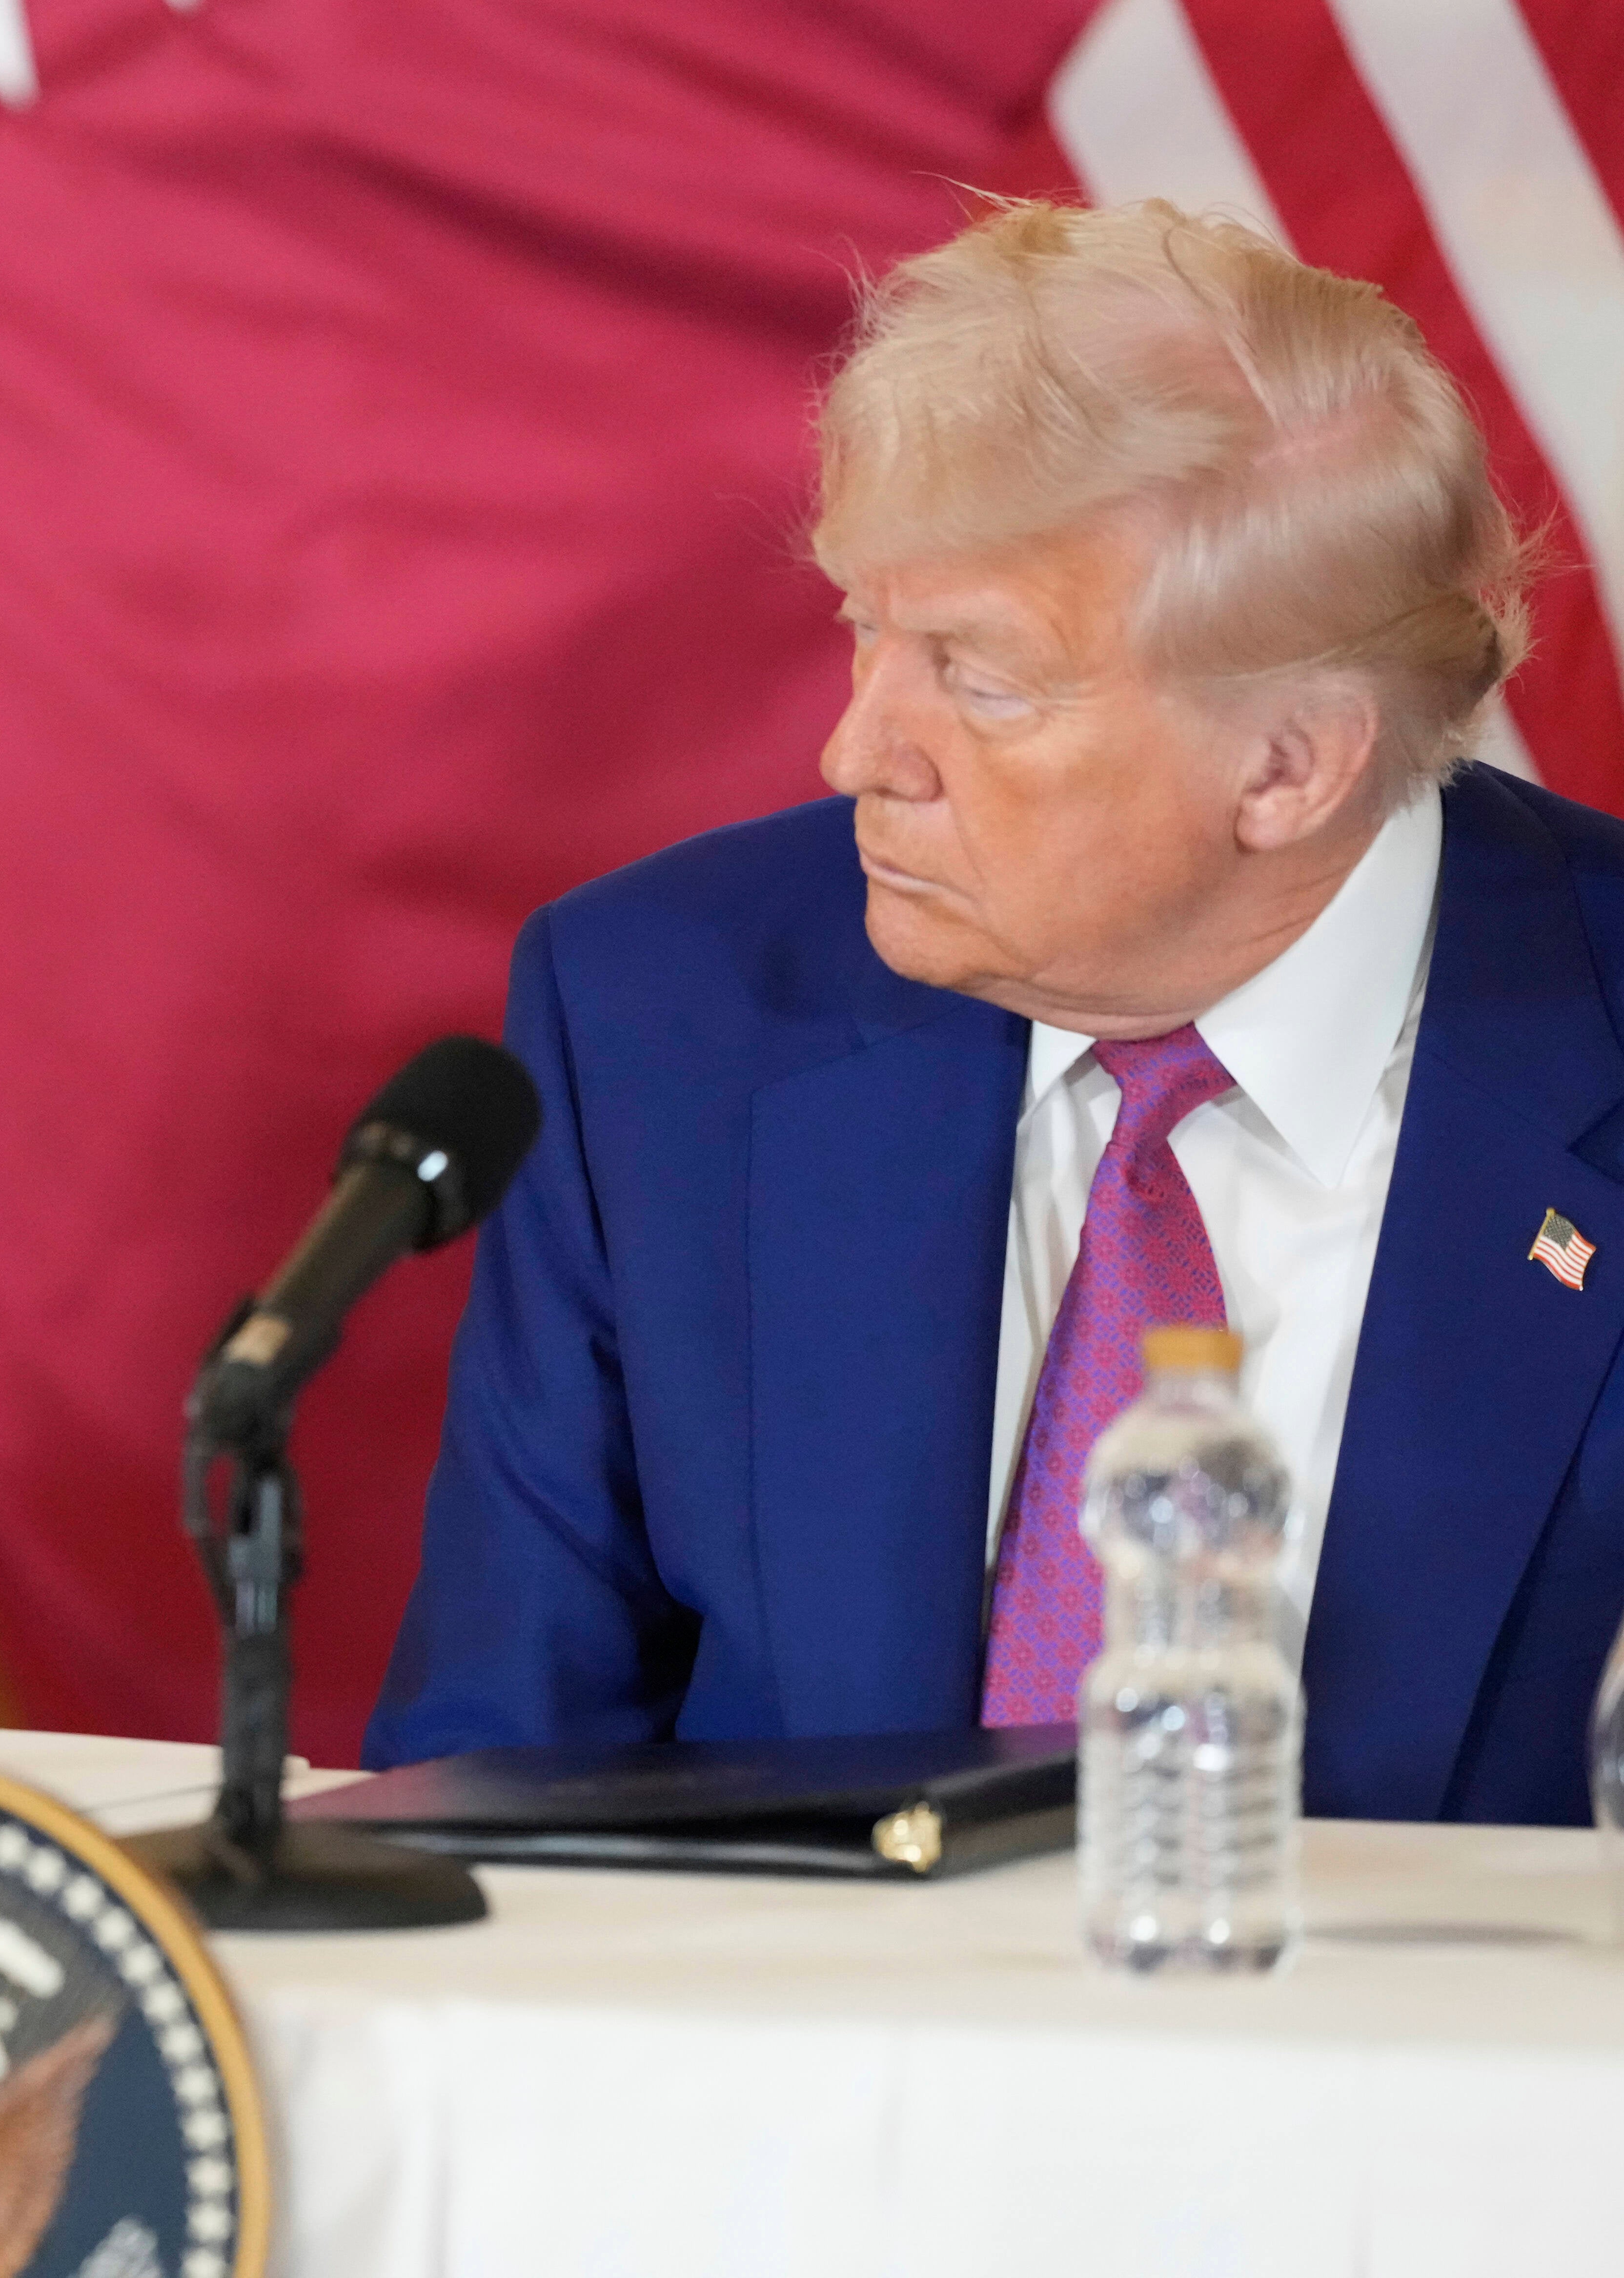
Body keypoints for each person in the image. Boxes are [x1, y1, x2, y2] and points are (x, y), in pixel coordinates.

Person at [371, 199, 1624, 1825]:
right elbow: (494, 1788)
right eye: (864, 630)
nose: (857, 753)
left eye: (980, 678)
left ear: (1289, 764)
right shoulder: (661, 1020)